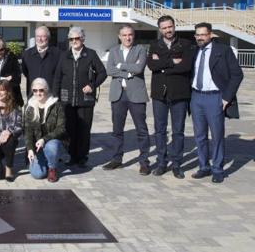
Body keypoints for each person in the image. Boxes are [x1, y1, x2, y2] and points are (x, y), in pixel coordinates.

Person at [190, 22, 243, 183]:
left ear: (210, 34)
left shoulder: (223, 50)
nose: (200, 37)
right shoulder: (194, 51)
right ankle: (203, 166)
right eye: (197, 35)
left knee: (217, 135)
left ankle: (218, 169)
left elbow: (237, 74)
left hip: (215, 98)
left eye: (203, 34)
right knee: (199, 136)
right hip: (196, 97)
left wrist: (227, 97)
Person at [147, 15, 195, 179]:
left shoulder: (186, 44)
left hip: (179, 94)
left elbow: (186, 66)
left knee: (178, 131)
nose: (168, 30)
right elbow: (151, 65)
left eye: (170, 27)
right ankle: (161, 162)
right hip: (159, 95)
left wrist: (163, 65)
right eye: (164, 28)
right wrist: (173, 61)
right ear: (160, 29)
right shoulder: (154, 44)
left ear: (174, 26)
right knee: (159, 131)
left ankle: (177, 164)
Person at [53, 26, 106, 167]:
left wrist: (92, 85)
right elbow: (57, 77)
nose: (74, 41)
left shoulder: (91, 54)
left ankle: (82, 157)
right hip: (67, 101)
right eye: (72, 39)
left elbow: (102, 73)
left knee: (84, 130)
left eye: (77, 38)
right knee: (70, 130)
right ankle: (72, 156)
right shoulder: (64, 56)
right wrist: (55, 97)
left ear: (82, 39)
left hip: (85, 100)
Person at [102, 25, 152, 175]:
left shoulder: (140, 50)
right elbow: (109, 70)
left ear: (133, 36)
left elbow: (139, 69)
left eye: (130, 35)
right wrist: (127, 73)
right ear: (119, 36)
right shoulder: (113, 50)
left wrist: (121, 66)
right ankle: (117, 159)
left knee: (141, 130)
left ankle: (144, 162)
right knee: (117, 130)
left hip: (136, 95)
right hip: (118, 94)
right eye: (124, 35)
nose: (127, 38)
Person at [24, 78, 67, 182]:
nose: (38, 93)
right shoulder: (29, 107)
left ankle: (52, 168)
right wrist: (30, 149)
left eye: (41, 90)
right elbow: (28, 131)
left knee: (51, 146)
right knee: (38, 174)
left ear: (46, 90)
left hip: (54, 142)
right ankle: (45, 161)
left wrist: (44, 139)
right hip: (37, 146)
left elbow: (61, 129)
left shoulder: (57, 106)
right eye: (35, 90)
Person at [22, 25, 61, 96]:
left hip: (51, 95)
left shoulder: (58, 54)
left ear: (48, 38)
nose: (40, 39)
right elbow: (26, 72)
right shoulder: (27, 54)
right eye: (38, 36)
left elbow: (59, 74)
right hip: (33, 95)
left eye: (43, 36)